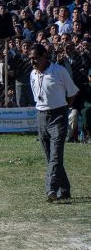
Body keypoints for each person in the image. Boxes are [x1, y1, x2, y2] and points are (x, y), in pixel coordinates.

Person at [29, 44, 79, 202]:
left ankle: (50, 188)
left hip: (58, 116)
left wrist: (64, 108)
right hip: (41, 116)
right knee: (50, 156)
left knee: (56, 155)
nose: (33, 61)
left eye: (36, 58)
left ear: (45, 56)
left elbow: (72, 93)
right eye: (31, 58)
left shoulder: (59, 71)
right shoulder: (32, 74)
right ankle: (64, 190)